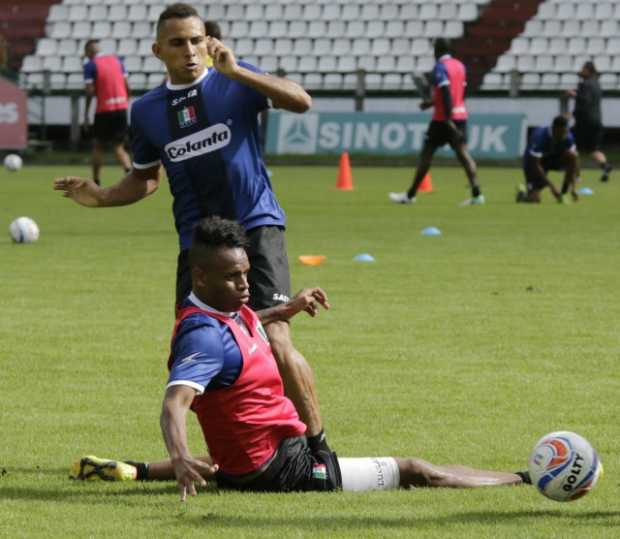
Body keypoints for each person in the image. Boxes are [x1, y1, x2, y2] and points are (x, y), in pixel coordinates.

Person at [70, 216, 529, 499]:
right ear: (201, 276)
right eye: (233, 277)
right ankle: (524, 479)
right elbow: (175, 402)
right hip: (279, 468)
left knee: (223, 457)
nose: (245, 285)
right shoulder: (203, 336)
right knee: (415, 471)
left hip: (247, 462)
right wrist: (180, 452)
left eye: (247, 273)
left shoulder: (225, 309)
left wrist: (285, 308)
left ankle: (136, 470)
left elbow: (247, 325)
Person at [54, 4, 328, 453]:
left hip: (256, 226)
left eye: (196, 40)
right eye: (178, 43)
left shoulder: (233, 81)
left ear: (209, 42)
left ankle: (318, 449)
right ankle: (231, 453)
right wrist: (101, 196)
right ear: (158, 50)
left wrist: (239, 72)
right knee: (198, 350)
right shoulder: (146, 111)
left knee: (275, 339)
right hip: (198, 246)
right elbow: (145, 178)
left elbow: (299, 100)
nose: (190, 51)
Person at [389, 38, 483, 206]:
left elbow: (447, 92)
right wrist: (431, 103)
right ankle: (477, 194)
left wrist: (447, 118)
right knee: (463, 154)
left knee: (426, 154)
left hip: (442, 119)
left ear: (436, 51)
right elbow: (459, 92)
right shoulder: (460, 66)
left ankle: (410, 196)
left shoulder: (440, 68)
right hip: (461, 115)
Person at [82, 39, 132, 185]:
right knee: (119, 147)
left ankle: (96, 181)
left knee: (98, 146)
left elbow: (90, 91)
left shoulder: (90, 65)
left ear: (89, 52)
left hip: (104, 110)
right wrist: (125, 102)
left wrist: (86, 114)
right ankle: (129, 174)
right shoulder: (118, 61)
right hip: (121, 108)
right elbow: (127, 85)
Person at [566, 61, 612, 183]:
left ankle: (576, 176)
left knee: (572, 148)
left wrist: (574, 94)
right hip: (597, 121)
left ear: (588, 70)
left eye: (583, 68)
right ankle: (605, 166)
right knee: (593, 150)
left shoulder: (585, 85)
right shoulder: (597, 84)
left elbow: (585, 101)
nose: (581, 71)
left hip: (584, 122)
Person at [516, 115, 579, 204]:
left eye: (566, 131)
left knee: (572, 155)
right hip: (533, 163)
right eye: (562, 132)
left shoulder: (568, 137)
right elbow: (535, 164)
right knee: (534, 200)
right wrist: (552, 187)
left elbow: (573, 161)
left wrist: (573, 189)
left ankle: (564, 192)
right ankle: (522, 194)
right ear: (554, 129)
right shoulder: (540, 136)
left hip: (553, 159)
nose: (564, 135)